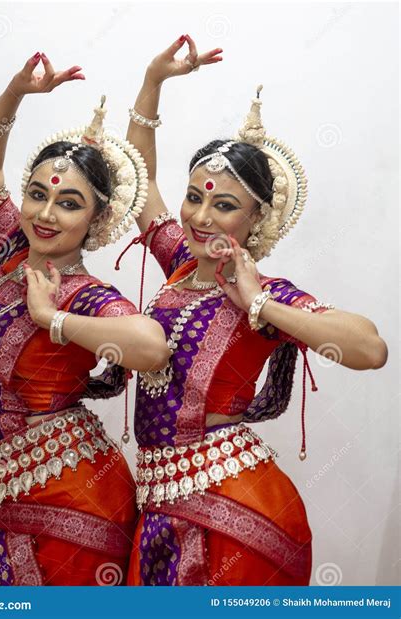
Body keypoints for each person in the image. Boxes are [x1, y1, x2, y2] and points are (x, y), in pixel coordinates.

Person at [120, 35, 388, 585]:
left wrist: (259, 303)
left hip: (235, 514)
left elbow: (369, 348)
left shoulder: (263, 292)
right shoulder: (178, 263)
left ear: (255, 218)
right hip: (162, 506)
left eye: (224, 205)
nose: (199, 216)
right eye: (194, 196)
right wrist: (153, 84)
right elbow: (140, 186)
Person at [0, 52, 170, 586]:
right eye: (37, 194)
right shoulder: (13, 250)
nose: (46, 214)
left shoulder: (83, 295)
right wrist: (15, 93)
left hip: (74, 500)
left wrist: (52, 319)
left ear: (96, 218)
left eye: (69, 203)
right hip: (8, 493)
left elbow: (150, 346)